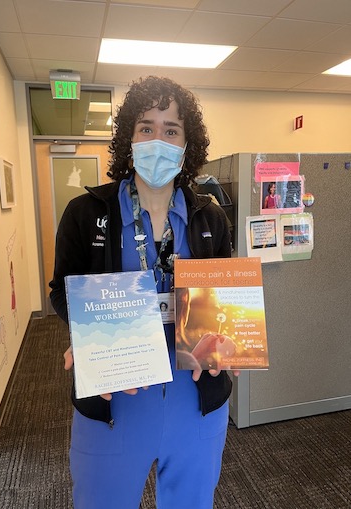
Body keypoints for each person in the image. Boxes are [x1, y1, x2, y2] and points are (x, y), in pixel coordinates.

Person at [49, 75, 236, 509]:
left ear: (186, 146)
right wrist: (86, 331)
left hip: (196, 395)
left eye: (171, 130)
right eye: (146, 127)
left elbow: (225, 294)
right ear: (128, 139)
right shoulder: (85, 213)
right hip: (116, 394)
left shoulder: (210, 219)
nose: (158, 139)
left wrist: (235, 347)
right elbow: (63, 289)